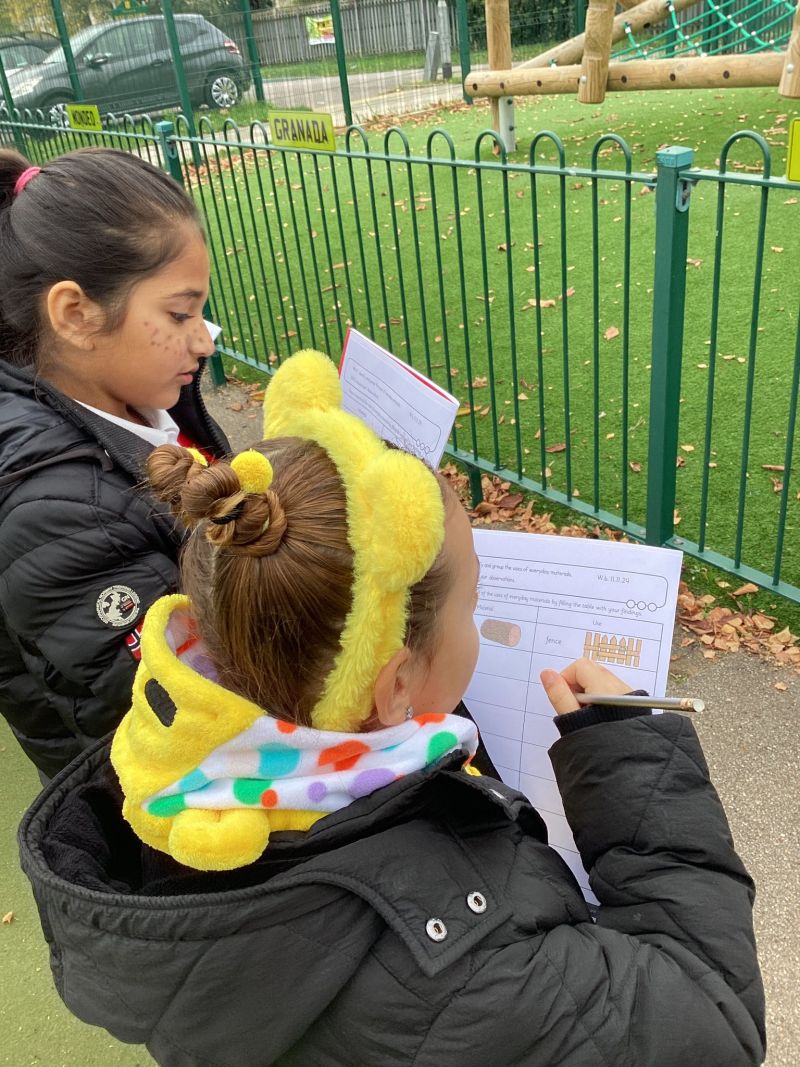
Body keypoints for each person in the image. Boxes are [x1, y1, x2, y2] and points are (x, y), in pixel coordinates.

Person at [20, 351, 764, 1065]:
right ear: (394, 685)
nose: (476, 622)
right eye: (473, 604)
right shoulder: (478, 975)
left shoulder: (175, 774)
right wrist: (630, 766)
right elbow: (712, 1021)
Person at [0, 147, 230, 780]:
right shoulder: (64, 516)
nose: (204, 339)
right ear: (77, 316)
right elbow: (192, 718)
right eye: (180, 314)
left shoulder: (140, 399)